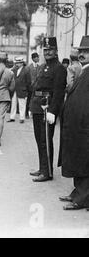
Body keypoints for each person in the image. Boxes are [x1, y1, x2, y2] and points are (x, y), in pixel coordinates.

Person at [29, 37, 67, 182]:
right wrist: (31, 107)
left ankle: (47, 172)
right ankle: (42, 167)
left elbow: (58, 92)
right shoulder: (44, 66)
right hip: (38, 106)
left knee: (45, 140)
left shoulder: (59, 69)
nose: (47, 52)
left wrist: (53, 111)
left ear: (56, 51)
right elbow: (36, 88)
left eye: (50, 50)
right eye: (45, 50)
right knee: (39, 140)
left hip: (47, 108)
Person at [58, 36, 89, 210]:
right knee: (79, 160)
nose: (82, 54)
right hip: (78, 126)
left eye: (86, 51)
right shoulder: (83, 70)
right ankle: (77, 193)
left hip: (84, 126)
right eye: (81, 51)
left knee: (84, 161)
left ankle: (82, 198)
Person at [8, 57, 31, 124]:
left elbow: (28, 81)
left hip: (22, 89)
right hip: (15, 89)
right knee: (13, 103)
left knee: (22, 104)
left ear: (22, 63)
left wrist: (26, 89)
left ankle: (22, 118)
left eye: (18, 63)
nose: (17, 64)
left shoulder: (26, 70)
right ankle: (12, 117)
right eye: (16, 63)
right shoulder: (14, 70)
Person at [26, 52, 40, 118]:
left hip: (37, 86)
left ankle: (33, 112)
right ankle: (26, 113)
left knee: (35, 99)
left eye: (38, 57)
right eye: (36, 57)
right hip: (30, 86)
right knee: (29, 99)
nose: (38, 58)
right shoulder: (29, 67)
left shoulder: (39, 67)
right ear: (33, 58)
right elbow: (28, 76)